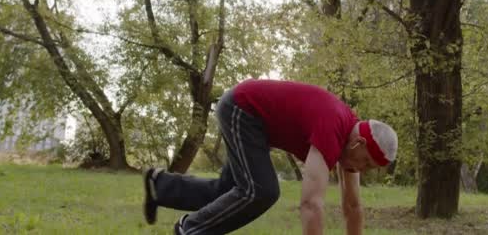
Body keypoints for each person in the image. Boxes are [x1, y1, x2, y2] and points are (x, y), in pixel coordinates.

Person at [142, 79, 398, 235]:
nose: (361, 169)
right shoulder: (333, 127)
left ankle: (159, 186)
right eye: (366, 162)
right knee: (261, 190)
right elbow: (311, 204)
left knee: (229, 191)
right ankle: (190, 230)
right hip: (242, 109)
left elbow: (353, 207)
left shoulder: (349, 144)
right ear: (360, 142)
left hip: (254, 122)